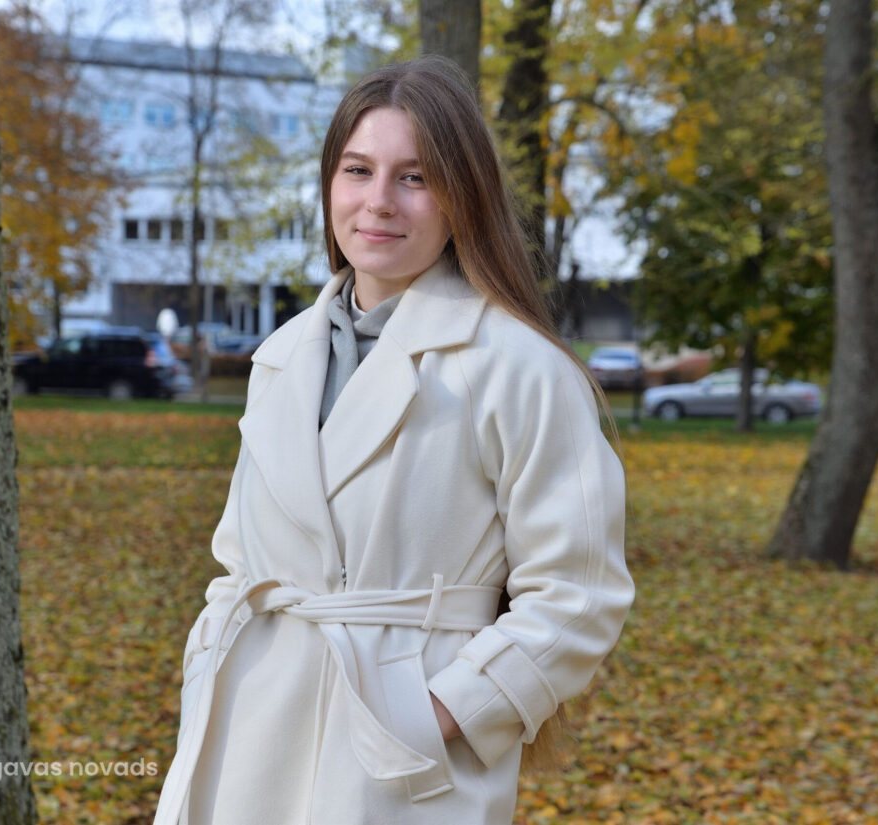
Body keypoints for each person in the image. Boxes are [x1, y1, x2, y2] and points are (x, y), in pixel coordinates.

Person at [153, 55, 634, 825]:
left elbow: (580, 595)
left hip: (397, 766)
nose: (378, 201)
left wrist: (440, 712)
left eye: (414, 177)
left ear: (461, 196)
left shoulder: (520, 368)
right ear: (329, 184)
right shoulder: (280, 357)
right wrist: (208, 664)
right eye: (358, 170)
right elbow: (240, 559)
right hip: (247, 735)